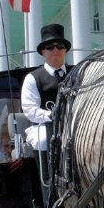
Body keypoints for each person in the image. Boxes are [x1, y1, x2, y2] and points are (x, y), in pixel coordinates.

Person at [21, 23, 73, 152]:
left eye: (60, 46)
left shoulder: (78, 72)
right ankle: (47, 173)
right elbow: (30, 110)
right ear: (43, 51)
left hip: (75, 122)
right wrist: (53, 115)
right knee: (45, 140)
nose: (56, 50)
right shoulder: (33, 78)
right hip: (44, 125)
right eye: (50, 47)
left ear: (65, 50)